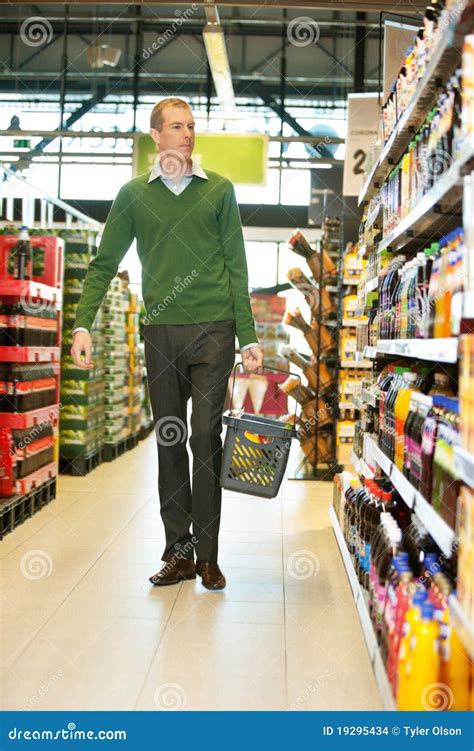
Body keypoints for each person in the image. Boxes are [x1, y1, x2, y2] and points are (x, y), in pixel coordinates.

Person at [71, 97, 263, 591]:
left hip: (214, 330)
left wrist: (249, 336)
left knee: (205, 438)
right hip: (159, 331)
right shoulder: (133, 196)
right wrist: (82, 324)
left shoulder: (219, 191)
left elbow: (237, 267)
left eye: (192, 126)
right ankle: (178, 553)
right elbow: (103, 263)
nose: (187, 134)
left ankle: (209, 557)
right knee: (171, 439)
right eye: (177, 126)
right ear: (155, 136)